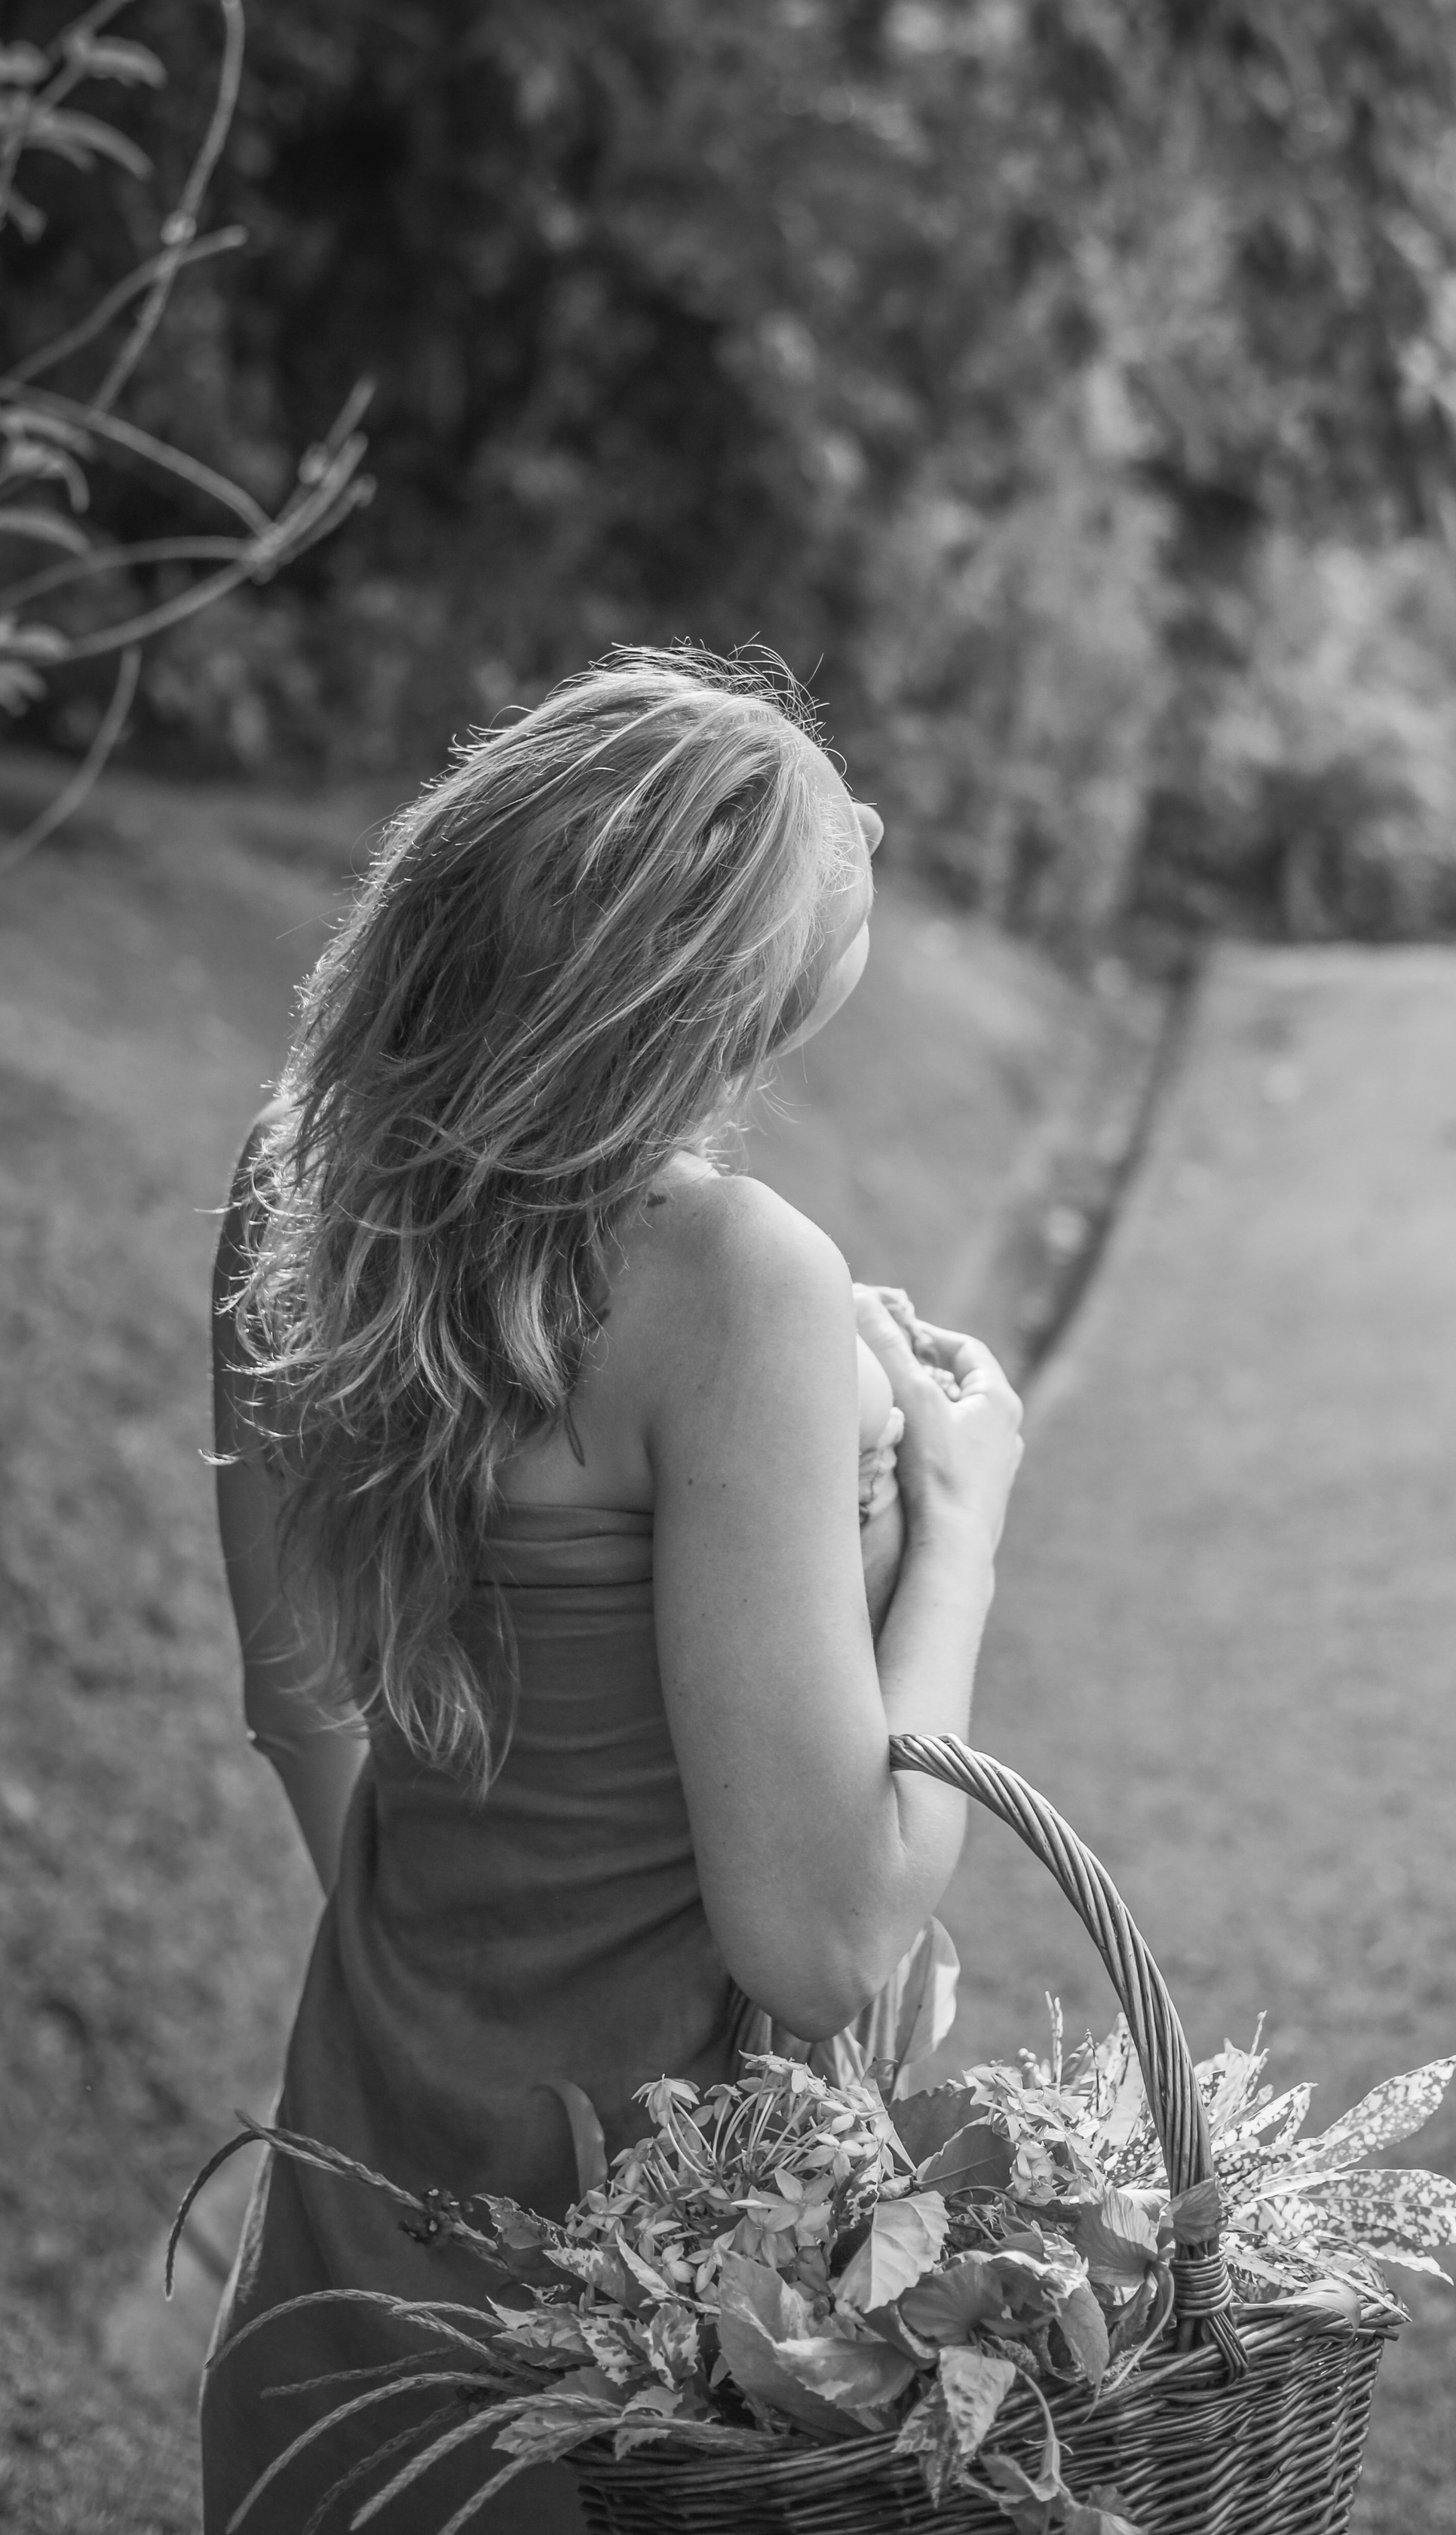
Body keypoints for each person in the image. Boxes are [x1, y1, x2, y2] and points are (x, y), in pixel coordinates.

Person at [201, 650, 1025, 2534]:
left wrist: (454, 1986)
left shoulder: (293, 1186)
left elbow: (294, 1691)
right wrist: (955, 1519)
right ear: (686, 1016)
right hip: (650, 2304)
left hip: (348, 2222)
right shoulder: (730, 1273)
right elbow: (826, 1944)